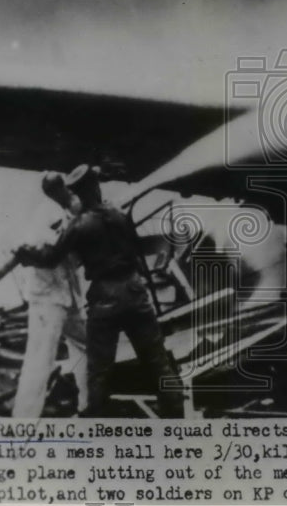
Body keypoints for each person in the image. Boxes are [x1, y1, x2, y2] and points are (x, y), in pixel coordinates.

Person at [17, 165, 183, 418]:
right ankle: (177, 418)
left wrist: (26, 255)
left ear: (75, 193)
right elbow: (135, 247)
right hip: (135, 289)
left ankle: (95, 423)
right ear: (97, 186)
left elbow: (52, 257)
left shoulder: (78, 226)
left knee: (99, 370)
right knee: (157, 361)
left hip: (105, 296)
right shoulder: (119, 213)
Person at [11, 172, 88, 417]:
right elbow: (47, 254)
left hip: (68, 298)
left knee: (88, 347)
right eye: (64, 189)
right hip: (47, 300)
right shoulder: (47, 215)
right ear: (55, 191)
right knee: (39, 362)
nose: (69, 192)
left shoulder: (66, 212)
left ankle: (88, 408)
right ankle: (22, 424)